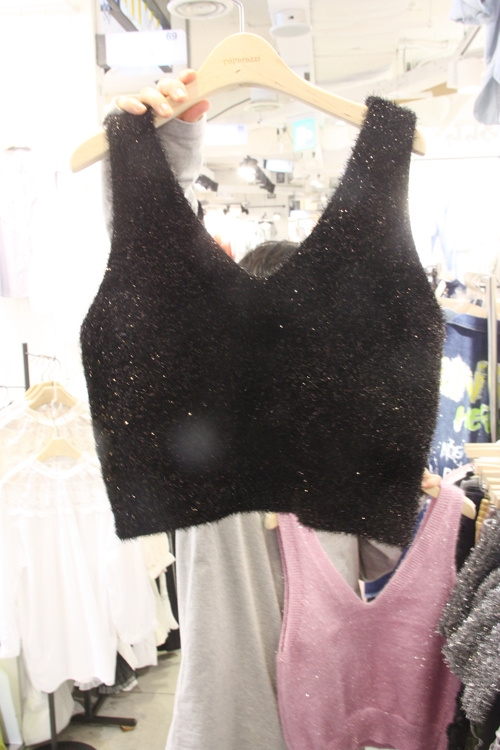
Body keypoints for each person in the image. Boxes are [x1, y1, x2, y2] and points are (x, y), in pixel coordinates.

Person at [106, 71, 444, 750]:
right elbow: (377, 560)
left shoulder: (194, 431)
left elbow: (145, 284)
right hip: (322, 720)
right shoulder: (335, 437)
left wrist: (162, 149)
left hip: (224, 722)